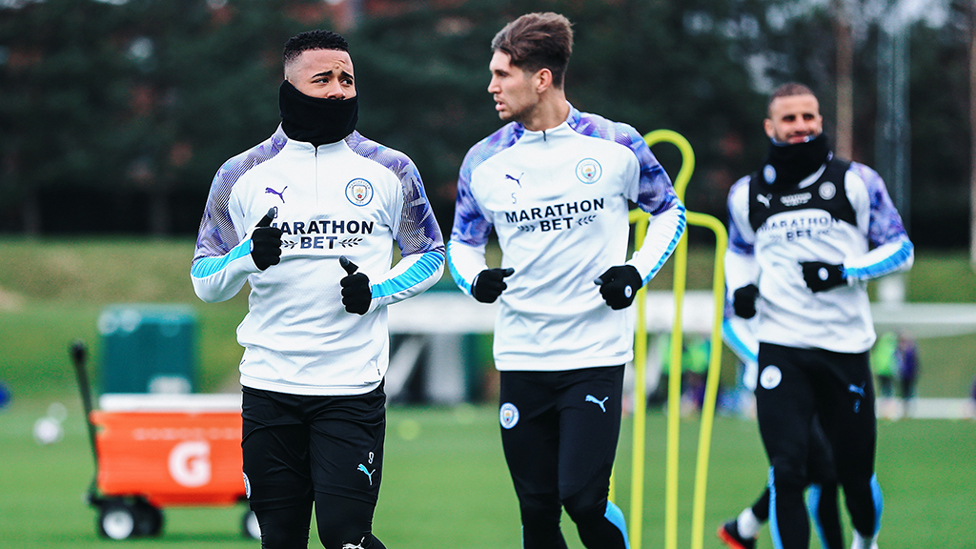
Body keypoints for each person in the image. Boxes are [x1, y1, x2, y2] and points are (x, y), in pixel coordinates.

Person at [190, 30, 445, 549]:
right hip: (269, 387)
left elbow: (431, 255)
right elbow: (204, 282)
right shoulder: (239, 173)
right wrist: (245, 257)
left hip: (351, 389)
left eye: (347, 80)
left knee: (347, 537)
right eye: (322, 79)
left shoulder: (391, 168)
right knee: (280, 541)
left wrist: (376, 290)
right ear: (288, 87)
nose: (337, 91)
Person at [447, 12, 686, 549]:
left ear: (542, 78)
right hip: (521, 355)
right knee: (536, 513)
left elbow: (670, 213)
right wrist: (474, 280)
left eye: (502, 74)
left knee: (582, 499)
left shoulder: (617, 143)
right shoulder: (483, 160)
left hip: (594, 354)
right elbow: (461, 243)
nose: (491, 86)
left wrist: (635, 271)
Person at [724, 82, 914, 549]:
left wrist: (843, 271)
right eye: (789, 119)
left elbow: (901, 249)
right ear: (770, 127)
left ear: (821, 122)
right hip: (781, 347)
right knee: (787, 472)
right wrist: (741, 289)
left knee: (853, 478)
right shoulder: (746, 193)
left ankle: (864, 540)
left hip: (845, 349)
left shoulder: (857, 181)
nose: (800, 126)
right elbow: (739, 251)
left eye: (808, 117)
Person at [719, 312, 843, 549]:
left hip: (809, 375)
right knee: (797, 469)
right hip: (776, 381)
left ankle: (744, 527)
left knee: (821, 468)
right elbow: (728, 323)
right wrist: (771, 360)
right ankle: (744, 527)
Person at [895, 332, 919, 415]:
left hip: (910, 375)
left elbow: (915, 364)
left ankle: (910, 410)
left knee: (910, 392)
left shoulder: (911, 351)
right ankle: (904, 410)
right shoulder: (898, 351)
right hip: (902, 375)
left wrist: (915, 374)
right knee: (903, 393)